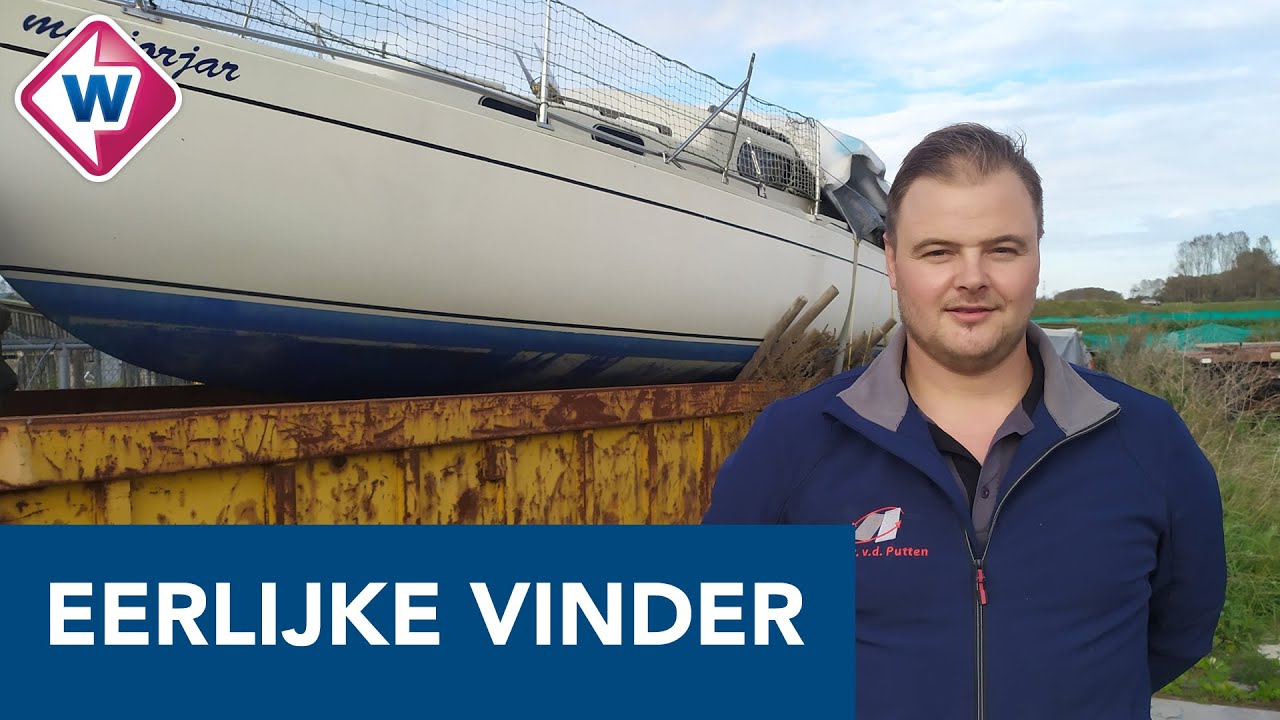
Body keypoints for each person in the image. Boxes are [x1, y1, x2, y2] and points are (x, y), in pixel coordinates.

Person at [703, 123, 1226, 719]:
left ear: (1036, 258)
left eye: (1002, 249)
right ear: (893, 262)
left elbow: (1176, 633)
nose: (972, 277)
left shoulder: (1147, 440)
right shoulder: (793, 444)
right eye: (939, 251)